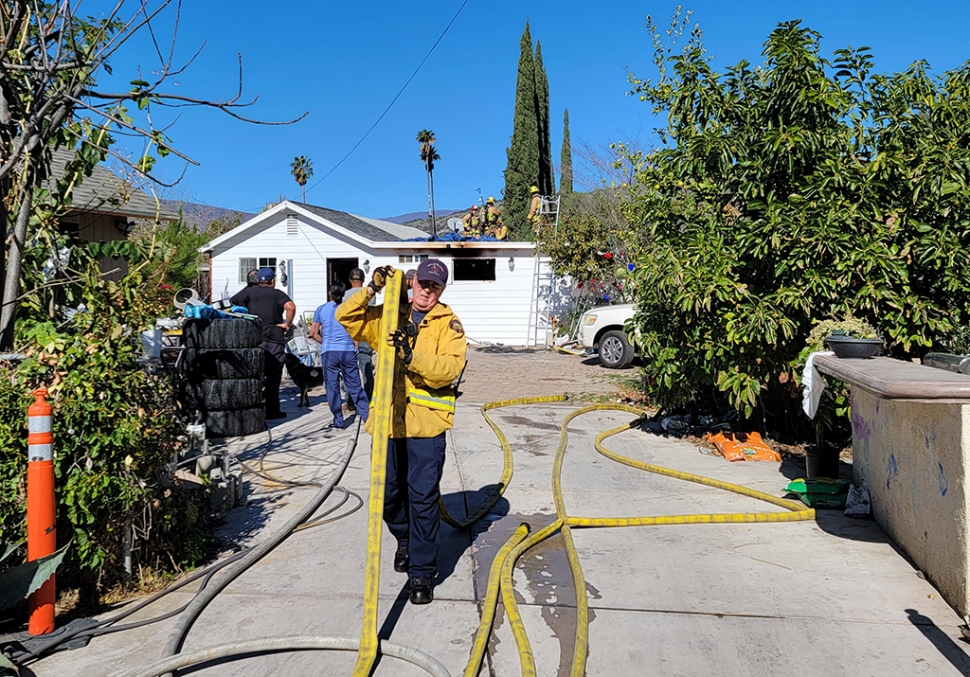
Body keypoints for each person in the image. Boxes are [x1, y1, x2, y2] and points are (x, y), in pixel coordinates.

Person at [336, 258, 467, 605]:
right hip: (389, 425)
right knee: (388, 496)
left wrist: (412, 358)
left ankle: (422, 572)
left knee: (422, 498)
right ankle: (405, 539)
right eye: (422, 283)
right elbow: (346, 318)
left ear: (441, 290)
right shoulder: (391, 315)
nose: (427, 291)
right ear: (412, 283)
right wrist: (371, 290)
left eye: (434, 286)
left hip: (425, 426)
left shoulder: (448, 325)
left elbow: (449, 369)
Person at [230, 267, 295, 420]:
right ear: (273, 280)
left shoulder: (249, 292)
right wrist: (287, 324)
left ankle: (253, 410)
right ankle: (272, 411)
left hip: (254, 339)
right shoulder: (278, 294)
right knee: (273, 377)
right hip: (274, 340)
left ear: (258, 280)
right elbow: (290, 307)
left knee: (254, 376)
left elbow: (232, 303)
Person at [311, 282, 369, 430]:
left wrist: (325, 343)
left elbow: (313, 333)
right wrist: (355, 348)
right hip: (347, 350)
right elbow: (354, 331)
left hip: (329, 352)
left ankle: (338, 421)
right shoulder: (348, 309)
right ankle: (367, 417)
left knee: (332, 387)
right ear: (344, 294)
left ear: (330, 293)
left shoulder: (321, 309)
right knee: (355, 386)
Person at [342, 267, 373, 401]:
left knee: (349, 370)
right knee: (366, 368)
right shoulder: (369, 294)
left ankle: (350, 401)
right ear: (363, 280)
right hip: (365, 334)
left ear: (350, 280)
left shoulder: (345, 295)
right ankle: (369, 397)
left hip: (349, 334)